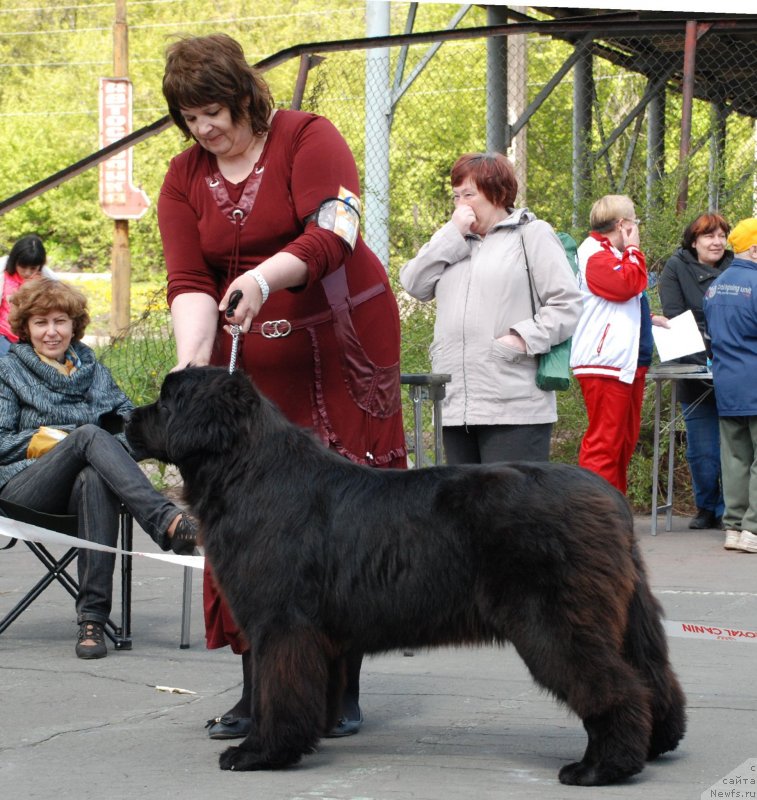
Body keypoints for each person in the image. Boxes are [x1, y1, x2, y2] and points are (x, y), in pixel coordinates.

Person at [157, 33, 407, 741]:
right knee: (248, 519)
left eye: (213, 112)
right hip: (255, 357)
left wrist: (264, 277)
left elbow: (337, 231)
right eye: (189, 118)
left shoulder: (308, 136)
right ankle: (261, 688)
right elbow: (188, 281)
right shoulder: (182, 177)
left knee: (346, 516)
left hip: (338, 346)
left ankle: (339, 690)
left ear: (243, 95)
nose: (205, 129)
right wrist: (192, 371)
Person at [0, 278, 197, 658]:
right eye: (41, 323)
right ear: (26, 329)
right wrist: (53, 442)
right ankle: (167, 522)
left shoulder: (94, 371)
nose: (52, 331)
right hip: (24, 490)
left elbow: (135, 435)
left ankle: (92, 621)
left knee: (94, 474)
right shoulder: (8, 373)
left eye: (60, 320)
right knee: (89, 435)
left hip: (83, 494)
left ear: (75, 325)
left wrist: (94, 449)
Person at [399, 152, 582, 465]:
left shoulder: (532, 234)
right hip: (454, 402)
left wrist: (520, 340)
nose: (462, 205)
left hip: (513, 403)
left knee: (512, 511)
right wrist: (451, 234)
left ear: (498, 193)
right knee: (464, 510)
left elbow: (566, 304)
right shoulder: (453, 243)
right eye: (456, 196)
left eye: (469, 194)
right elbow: (414, 283)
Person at [569, 194, 669, 494]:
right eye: (635, 221)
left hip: (625, 362)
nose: (637, 228)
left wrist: (647, 317)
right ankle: (593, 514)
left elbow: (612, 301)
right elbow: (626, 286)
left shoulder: (610, 252)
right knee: (604, 445)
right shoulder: (596, 254)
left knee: (622, 443)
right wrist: (635, 249)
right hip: (604, 363)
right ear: (623, 225)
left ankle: (613, 512)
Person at [658, 213, 732, 530]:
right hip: (692, 365)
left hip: (736, 369)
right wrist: (705, 356)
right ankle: (706, 506)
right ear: (694, 241)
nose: (716, 242)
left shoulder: (739, 267)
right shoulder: (675, 268)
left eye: (721, 236)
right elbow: (676, 318)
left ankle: (731, 510)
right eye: (708, 236)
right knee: (703, 451)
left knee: (736, 448)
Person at [702, 218, 757, 554]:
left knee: (735, 456)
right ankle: (754, 529)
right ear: (754, 248)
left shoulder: (716, 285)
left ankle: (734, 527)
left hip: (727, 383)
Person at [0, 234, 55, 355]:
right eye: (23, 267)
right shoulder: (3, 277)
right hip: (3, 334)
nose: (27, 272)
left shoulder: (45, 282)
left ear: (40, 266)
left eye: (33, 268)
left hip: (32, 337)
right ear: (14, 261)